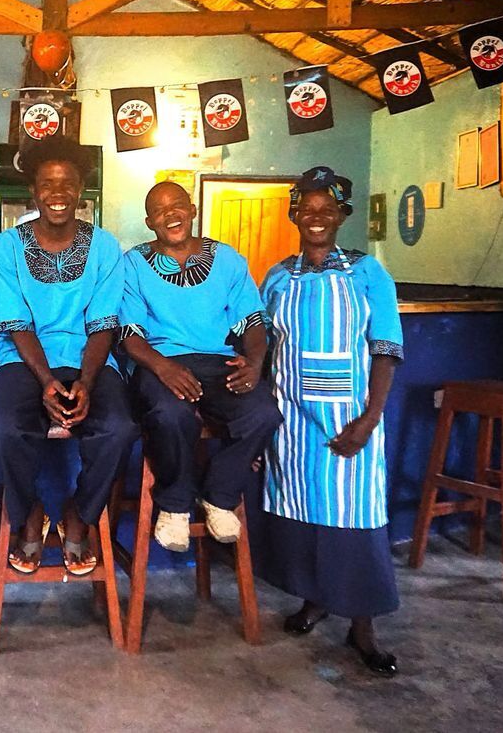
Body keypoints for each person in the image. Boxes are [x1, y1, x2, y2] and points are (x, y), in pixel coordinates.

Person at [256, 166, 404, 677]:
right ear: (294, 215)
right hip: (291, 421)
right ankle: (314, 600)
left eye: (327, 209)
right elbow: (262, 348)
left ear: (342, 215)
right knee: (303, 514)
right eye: (307, 209)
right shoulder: (278, 277)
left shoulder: (368, 274)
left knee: (354, 518)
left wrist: (370, 419)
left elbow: (385, 349)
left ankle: (363, 627)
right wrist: (261, 420)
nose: (316, 217)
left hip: (349, 421)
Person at [0, 137, 138, 575]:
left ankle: (79, 514)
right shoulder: (6, 247)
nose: (57, 193)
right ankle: (30, 512)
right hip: (24, 361)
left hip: (90, 362)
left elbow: (103, 324)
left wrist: (85, 383)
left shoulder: (105, 247)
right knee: (2, 430)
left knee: (120, 430)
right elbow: (17, 325)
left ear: (80, 192)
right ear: (33, 192)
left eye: (67, 183)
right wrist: (48, 381)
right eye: (47, 184)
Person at [119, 182, 282, 552]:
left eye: (177, 205)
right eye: (159, 211)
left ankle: (219, 496)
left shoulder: (227, 259)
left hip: (217, 363)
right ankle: (175, 504)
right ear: (149, 222)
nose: (170, 215)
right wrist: (164, 368)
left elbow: (253, 322)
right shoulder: (133, 264)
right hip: (159, 363)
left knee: (263, 413)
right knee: (170, 414)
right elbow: (130, 335)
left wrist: (255, 363)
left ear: (192, 209)